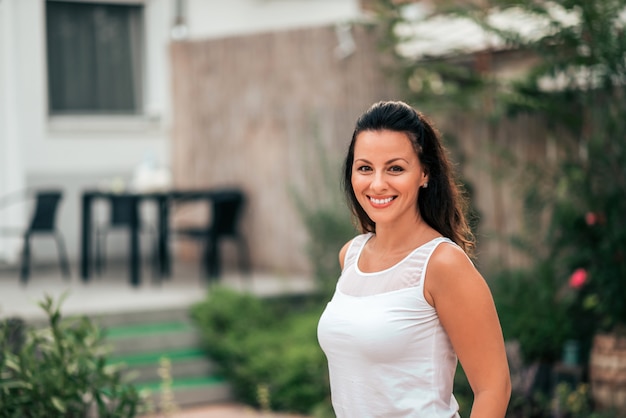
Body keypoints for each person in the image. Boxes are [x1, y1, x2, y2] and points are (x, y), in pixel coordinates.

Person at [317, 101, 511, 417]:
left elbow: (494, 387)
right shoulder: (350, 256)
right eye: (365, 167)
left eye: (395, 168)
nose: (377, 184)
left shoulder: (443, 264)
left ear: (424, 174)